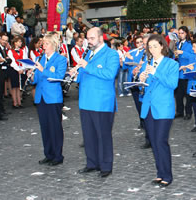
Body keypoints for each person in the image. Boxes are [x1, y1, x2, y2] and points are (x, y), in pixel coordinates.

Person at [73, 27, 120, 178]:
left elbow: (109, 74)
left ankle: (106, 165)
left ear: (101, 38)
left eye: (92, 38)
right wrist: (74, 73)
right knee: (89, 135)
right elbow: (82, 75)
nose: (89, 41)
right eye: (88, 38)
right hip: (86, 100)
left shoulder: (111, 54)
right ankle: (92, 163)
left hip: (102, 102)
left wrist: (87, 66)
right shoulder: (88, 54)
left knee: (103, 135)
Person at [139, 34, 179, 187]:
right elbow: (146, 85)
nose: (152, 49)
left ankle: (167, 175)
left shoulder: (171, 64)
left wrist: (155, 73)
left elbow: (172, 84)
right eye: (150, 47)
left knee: (161, 141)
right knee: (154, 142)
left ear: (162, 46)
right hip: (148, 107)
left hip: (163, 107)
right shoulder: (147, 63)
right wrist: (142, 79)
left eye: (155, 46)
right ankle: (159, 173)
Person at [28, 34, 67, 166]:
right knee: (44, 127)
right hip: (41, 97)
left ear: (53, 45)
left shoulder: (60, 59)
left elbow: (58, 76)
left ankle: (57, 155)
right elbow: (37, 80)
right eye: (43, 44)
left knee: (55, 127)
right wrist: (32, 76)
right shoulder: (40, 58)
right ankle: (48, 154)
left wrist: (42, 69)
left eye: (46, 44)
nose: (43, 46)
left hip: (53, 97)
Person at [174, 26, 195, 120]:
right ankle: (179, 111)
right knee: (178, 95)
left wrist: (182, 52)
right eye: (179, 33)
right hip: (179, 72)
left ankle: (188, 112)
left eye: (182, 33)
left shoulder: (190, 44)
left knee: (188, 95)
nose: (180, 34)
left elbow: (193, 56)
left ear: (186, 33)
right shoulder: (178, 43)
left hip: (187, 71)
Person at [7, 35, 25, 108]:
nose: (21, 43)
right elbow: (12, 62)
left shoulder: (22, 51)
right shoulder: (10, 51)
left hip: (20, 69)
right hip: (14, 70)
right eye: (19, 42)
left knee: (19, 86)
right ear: (15, 43)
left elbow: (24, 60)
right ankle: (15, 102)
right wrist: (18, 69)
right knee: (14, 87)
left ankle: (19, 102)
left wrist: (22, 68)